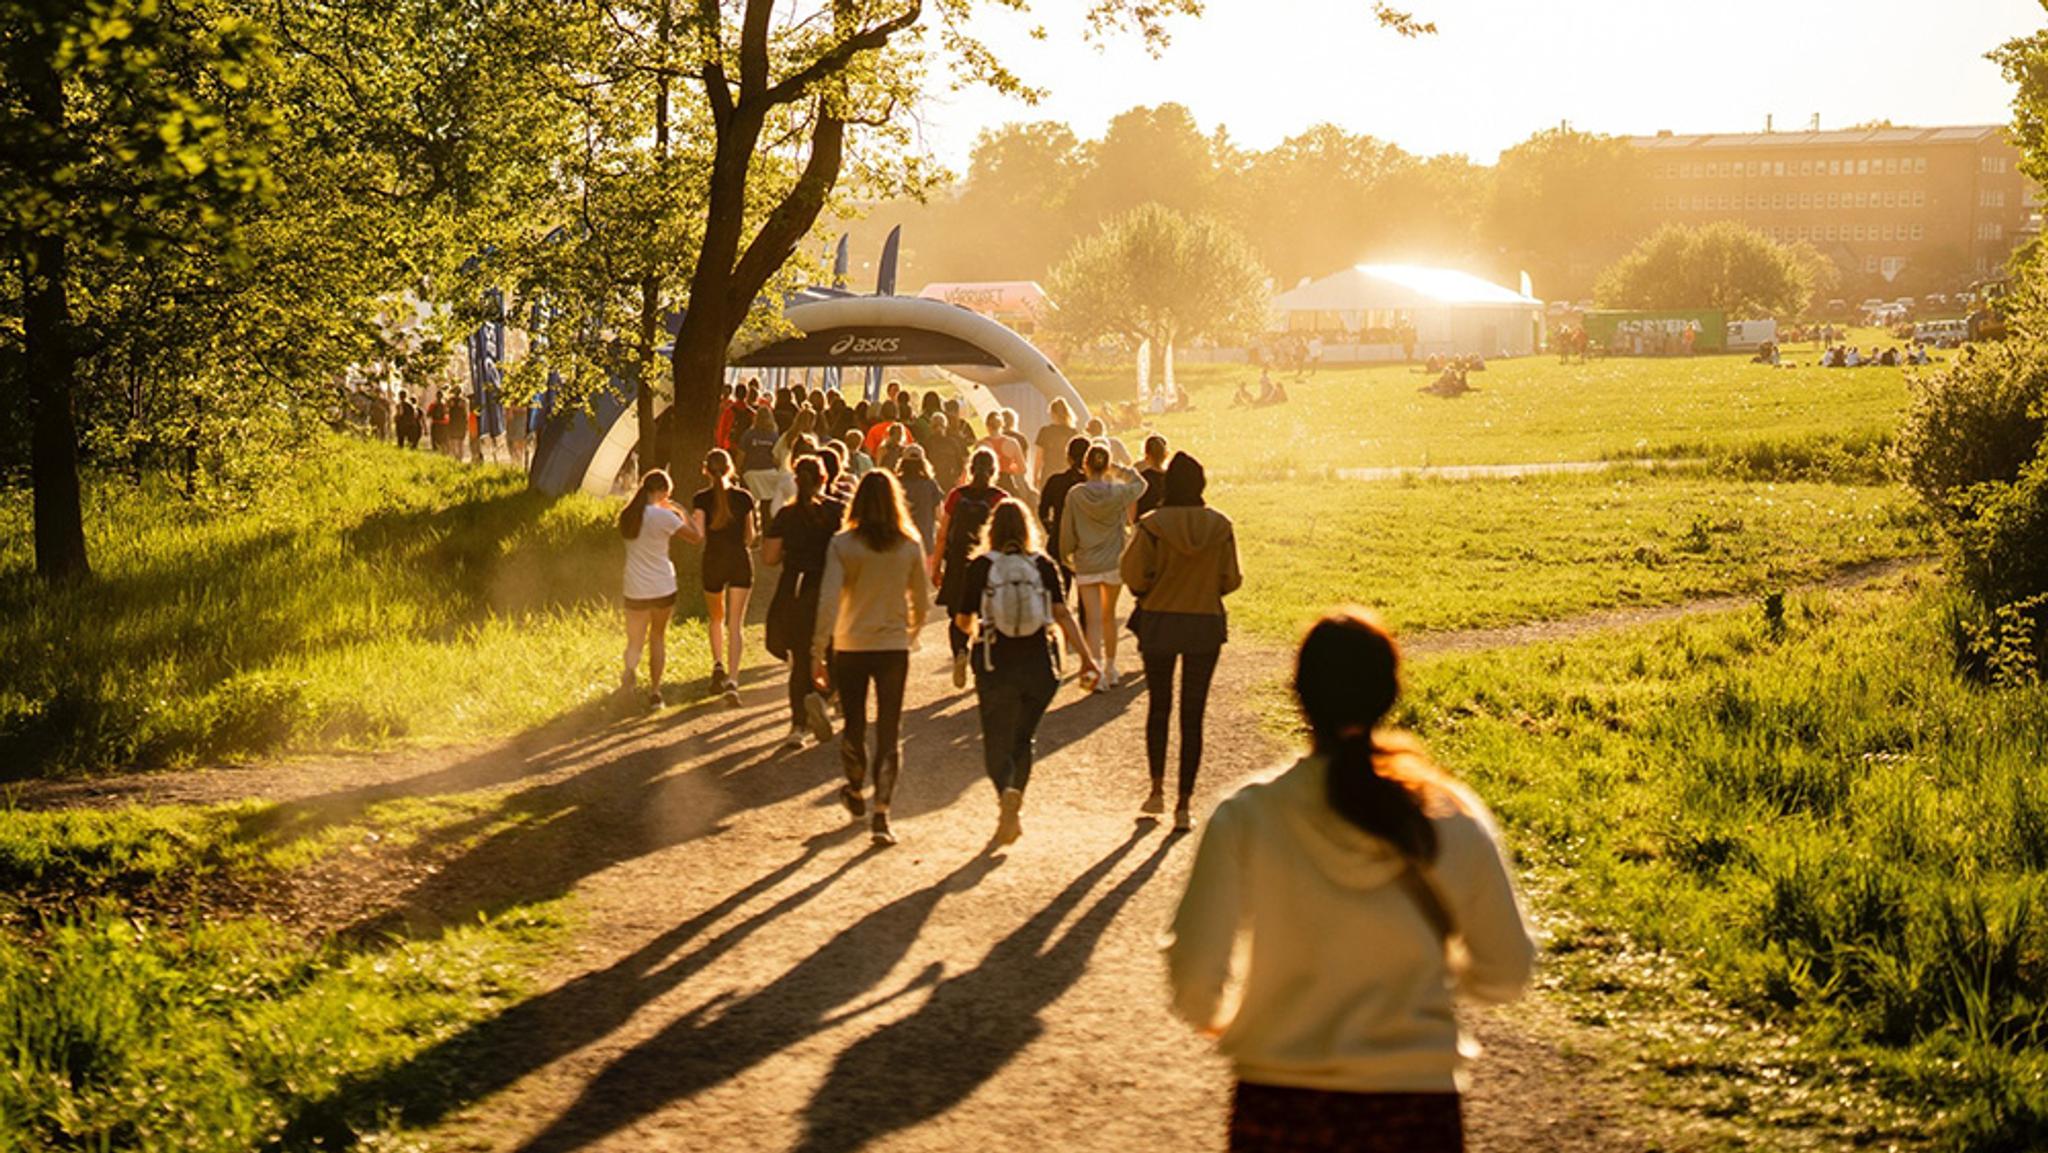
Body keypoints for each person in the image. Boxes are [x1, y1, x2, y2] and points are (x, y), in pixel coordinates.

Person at [1164, 609, 1536, 1153]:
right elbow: (1508, 973)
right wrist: (1429, 982)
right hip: (1414, 1105)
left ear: (1298, 694)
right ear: (1390, 694)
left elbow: (1194, 979)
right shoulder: (1450, 815)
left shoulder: (1246, 816)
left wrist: (1229, 1019)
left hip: (1280, 1099)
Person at [955, 500, 1097, 845]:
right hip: (1038, 662)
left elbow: (962, 619)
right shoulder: (1043, 565)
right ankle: (1015, 795)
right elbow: (1063, 615)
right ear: (1026, 528)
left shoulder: (981, 567)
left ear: (993, 529)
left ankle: (1005, 792)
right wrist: (1087, 659)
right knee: (1024, 738)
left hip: (995, 661)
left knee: (996, 738)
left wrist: (972, 636)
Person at [812, 471, 931, 846]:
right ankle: (882, 813)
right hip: (893, 646)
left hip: (851, 645)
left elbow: (829, 600)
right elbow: (922, 603)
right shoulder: (909, 545)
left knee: (855, 724)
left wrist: (819, 650)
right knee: (890, 728)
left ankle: (854, 787)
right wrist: (908, 634)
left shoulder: (843, 544)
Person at [1122, 451, 1240, 829]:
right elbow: (1231, 580)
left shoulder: (1152, 525)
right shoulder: (1220, 526)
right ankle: (1184, 805)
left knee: (1159, 706)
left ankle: (1156, 789)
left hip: (1159, 622)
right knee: (1193, 713)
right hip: (1204, 624)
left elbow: (1135, 576)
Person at [764, 455, 841, 751]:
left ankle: (798, 726)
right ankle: (826, 696)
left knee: (799, 656)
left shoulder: (786, 515)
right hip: (829, 588)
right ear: (825, 479)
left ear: (796, 481)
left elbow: (769, 558)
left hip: (795, 588)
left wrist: (791, 553)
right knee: (832, 650)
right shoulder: (836, 512)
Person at [1059, 443, 1147, 692]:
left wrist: (1067, 556)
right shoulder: (1117, 493)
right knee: (1109, 618)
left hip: (1086, 562)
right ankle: (1110, 668)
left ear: (1084, 465)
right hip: (1112, 562)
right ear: (1105, 465)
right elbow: (1141, 485)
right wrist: (1119, 469)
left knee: (1093, 620)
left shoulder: (1075, 495)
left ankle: (1093, 674)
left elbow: (1067, 530)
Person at [618, 469, 702, 708]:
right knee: (657, 637)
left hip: (635, 586)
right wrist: (681, 511)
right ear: (664, 492)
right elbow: (696, 536)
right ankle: (655, 693)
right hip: (662, 586)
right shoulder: (664, 517)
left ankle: (630, 671)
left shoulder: (628, 516)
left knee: (634, 639)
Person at [934, 448, 1006, 690]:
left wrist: (936, 568)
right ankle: (979, 665)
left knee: (957, 614)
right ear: (994, 471)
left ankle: (959, 652)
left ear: (970, 469)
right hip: (987, 564)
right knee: (986, 616)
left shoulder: (956, 496)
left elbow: (942, 535)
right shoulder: (999, 498)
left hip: (957, 564)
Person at [691, 449, 757, 705]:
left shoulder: (701, 499)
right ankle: (733, 680)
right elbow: (750, 537)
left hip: (713, 561)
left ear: (705, 469)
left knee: (716, 618)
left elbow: (698, 535)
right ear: (731, 468)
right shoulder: (744, 498)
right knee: (735, 624)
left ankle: (717, 664)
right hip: (739, 561)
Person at [1036, 435, 1090, 603]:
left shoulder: (1055, 481)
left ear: (1068, 457)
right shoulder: (1093, 485)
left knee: (1058, 598)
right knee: (1087, 600)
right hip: (1086, 542)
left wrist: (1050, 528)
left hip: (1059, 540)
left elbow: (1042, 509)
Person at [738, 406, 783, 526]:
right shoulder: (774, 436)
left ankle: (750, 525)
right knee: (766, 503)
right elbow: (776, 458)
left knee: (748, 501)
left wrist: (739, 470)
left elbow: (741, 455)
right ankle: (765, 529)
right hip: (769, 473)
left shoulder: (748, 434)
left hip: (751, 472)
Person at [896, 445, 945, 550]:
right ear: (923, 464)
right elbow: (939, 514)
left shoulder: (895, 484)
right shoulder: (930, 484)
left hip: (898, 544)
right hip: (925, 543)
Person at [1033, 398, 1080, 489]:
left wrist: (1035, 476)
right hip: (1067, 473)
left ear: (1052, 413)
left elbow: (1039, 456)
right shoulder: (1073, 433)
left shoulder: (1045, 431)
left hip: (1048, 472)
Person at [1137, 434, 1170, 517]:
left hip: (1145, 524)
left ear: (1146, 454)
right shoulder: (1172, 478)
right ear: (1165, 455)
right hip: (1166, 522)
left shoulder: (1141, 478)